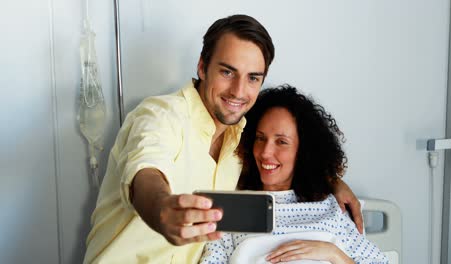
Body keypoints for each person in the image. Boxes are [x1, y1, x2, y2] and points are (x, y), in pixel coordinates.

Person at [84, 15, 362, 264]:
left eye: (253, 78)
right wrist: (162, 209)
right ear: (203, 67)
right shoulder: (161, 116)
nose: (238, 91)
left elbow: (285, 152)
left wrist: (332, 180)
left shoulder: (244, 139)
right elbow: (145, 172)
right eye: (227, 72)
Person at [200, 85, 388, 264]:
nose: (265, 152)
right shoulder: (233, 208)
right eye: (260, 138)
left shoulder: (331, 208)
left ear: (303, 151)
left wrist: (333, 253)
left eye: (281, 142)